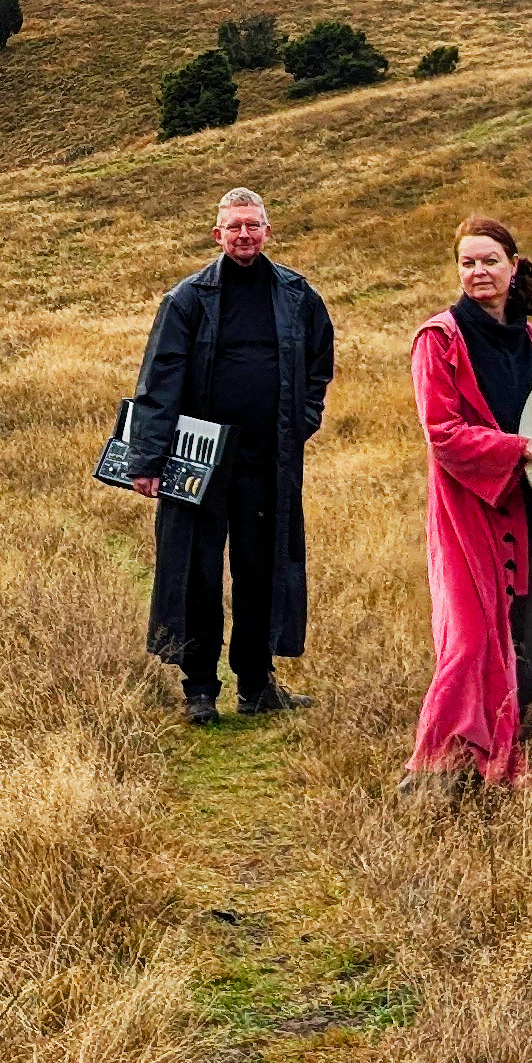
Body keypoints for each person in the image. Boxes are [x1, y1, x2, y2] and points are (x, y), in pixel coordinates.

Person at [125, 188, 337, 724]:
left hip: (268, 461)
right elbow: (159, 379)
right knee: (196, 572)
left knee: (261, 569)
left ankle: (257, 685)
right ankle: (199, 688)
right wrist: (147, 460)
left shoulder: (297, 296)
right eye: (235, 226)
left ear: (268, 231)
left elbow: (319, 364)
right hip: (198, 462)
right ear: (217, 235)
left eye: (253, 225)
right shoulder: (188, 299)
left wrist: (304, 419)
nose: (245, 234)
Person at [406, 216, 532, 786]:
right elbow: (443, 433)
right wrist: (519, 448)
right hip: (473, 520)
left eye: (489, 261)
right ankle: (433, 780)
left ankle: (510, 772)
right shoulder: (439, 341)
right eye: (467, 262)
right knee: (470, 650)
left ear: (514, 266)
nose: (478, 272)